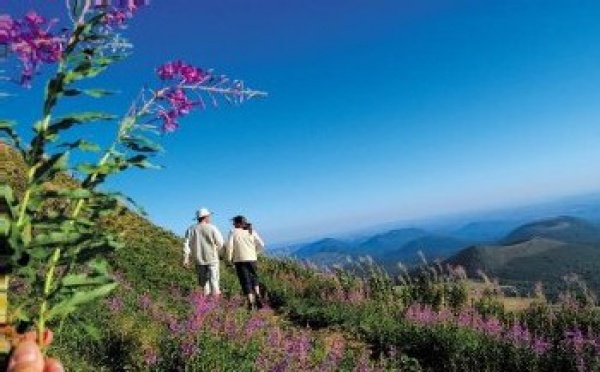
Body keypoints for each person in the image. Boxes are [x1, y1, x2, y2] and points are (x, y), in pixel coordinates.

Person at [225, 215, 265, 310]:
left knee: (245, 280)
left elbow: (230, 247)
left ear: (238, 223)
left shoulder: (233, 232)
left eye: (234, 222)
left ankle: (251, 303)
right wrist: (255, 252)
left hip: (239, 260)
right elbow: (261, 244)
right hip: (252, 259)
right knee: (254, 277)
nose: (233, 224)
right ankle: (258, 295)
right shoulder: (251, 231)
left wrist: (229, 259)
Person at [183, 207, 224, 297]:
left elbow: (186, 245)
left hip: (198, 259)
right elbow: (220, 243)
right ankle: (215, 303)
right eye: (209, 216)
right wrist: (216, 250)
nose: (210, 218)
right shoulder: (212, 227)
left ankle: (204, 302)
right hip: (212, 258)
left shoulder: (190, 229)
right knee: (214, 281)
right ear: (206, 217)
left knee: (203, 282)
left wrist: (186, 259)